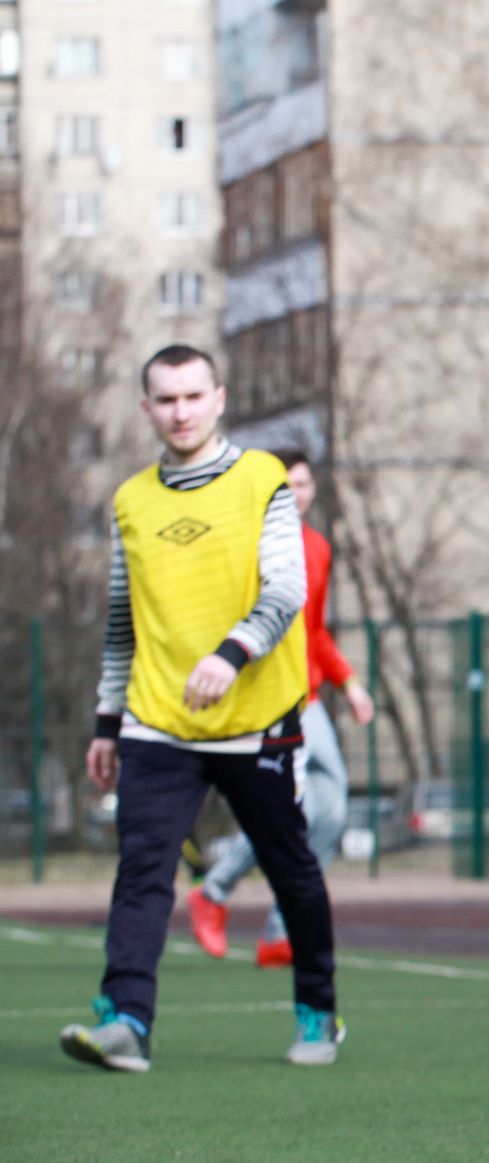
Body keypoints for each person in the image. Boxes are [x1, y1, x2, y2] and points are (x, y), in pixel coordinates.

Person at [60, 346, 344, 1074]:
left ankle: (318, 1007)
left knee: (291, 869)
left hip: (258, 720)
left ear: (219, 398)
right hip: (157, 721)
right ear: (146, 408)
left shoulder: (262, 478)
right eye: (166, 399)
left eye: (193, 396)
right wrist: (107, 722)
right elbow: (122, 619)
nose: (180, 412)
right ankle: (127, 1021)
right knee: (142, 869)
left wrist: (231, 654)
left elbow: (287, 588)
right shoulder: (130, 500)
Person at [189, 447, 376, 965]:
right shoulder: (244, 544)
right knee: (285, 813)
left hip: (308, 699)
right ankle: (216, 890)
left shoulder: (317, 548)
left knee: (330, 812)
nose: (298, 494)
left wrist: (349, 683)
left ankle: (277, 931)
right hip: (263, 698)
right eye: (287, 485)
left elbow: (315, 632)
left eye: (304, 484)